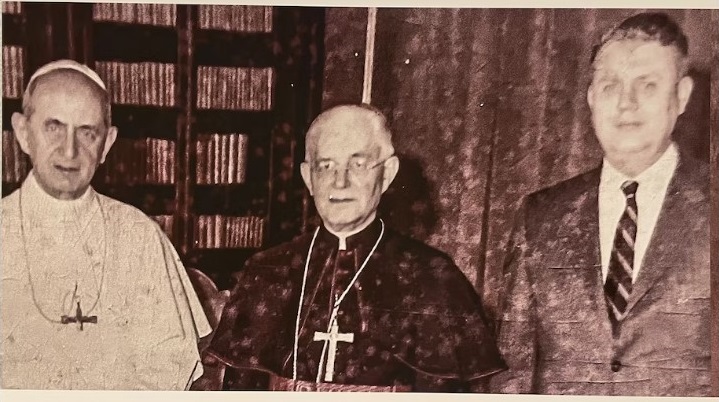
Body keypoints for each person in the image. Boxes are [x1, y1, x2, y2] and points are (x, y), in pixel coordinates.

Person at [194, 104, 506, 392]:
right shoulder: (267, 270)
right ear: (308, 177)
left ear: (387, 174)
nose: (339, 182)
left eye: (358, 163)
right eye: (326, 165)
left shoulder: (433, 277)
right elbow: (240, 388)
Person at [490, 12, 710, 396]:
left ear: (682, 96)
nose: (626, 104)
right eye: (610, 86)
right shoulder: (541, 217)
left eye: (647, 85)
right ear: (591, 97)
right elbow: (511, 371)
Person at [1, 60, 211, 389]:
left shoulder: (139, 235)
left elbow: (168, 365)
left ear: (107, 144)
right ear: (23, 133)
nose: (70, 150)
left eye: (88, 133)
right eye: (54, 127)